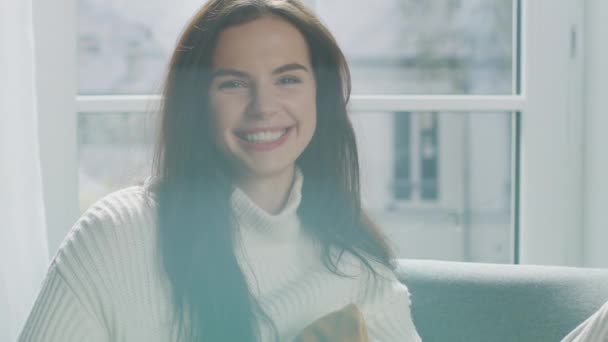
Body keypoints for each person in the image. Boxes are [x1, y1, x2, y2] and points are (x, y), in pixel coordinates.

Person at [18, 0, 421, 341]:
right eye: (233, 84)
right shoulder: (115, 234)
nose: (263, 106)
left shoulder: (358, 269)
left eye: (287, 79)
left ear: (321, 95)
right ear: (197, 103)